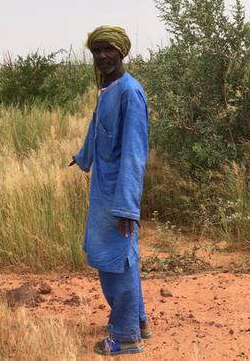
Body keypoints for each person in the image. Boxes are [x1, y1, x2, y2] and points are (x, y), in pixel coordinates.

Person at [68, 25, 151, 356]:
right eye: (96, 50)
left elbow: (134, 151)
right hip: (104, 187)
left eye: (108, 50)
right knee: (121, 257)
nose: (102, 56)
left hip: (118, 192)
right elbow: (97, 128)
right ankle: (139, 320)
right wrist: (83, 156)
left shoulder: (130, 92)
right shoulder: (108, 88)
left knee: (115, 261)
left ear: (122, 52)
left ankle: (126, 337)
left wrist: (127, 207)